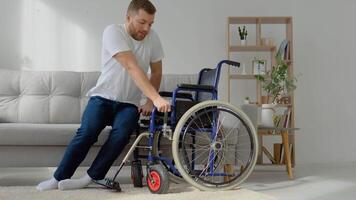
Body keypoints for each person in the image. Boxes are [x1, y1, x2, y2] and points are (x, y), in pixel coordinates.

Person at [36, 0, 170, 191]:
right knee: (86, 133)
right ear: (128, 17)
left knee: (121, 135)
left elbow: (156, 72)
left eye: (150, 24)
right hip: (102, 97)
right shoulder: (113, 32)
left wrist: (150, 100)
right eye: (142, 22)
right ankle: (58, 178)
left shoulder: (153, 38)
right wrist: (157, 98)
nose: (147, 28)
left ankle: (91, 177)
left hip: (129, 103)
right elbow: (131, 66)